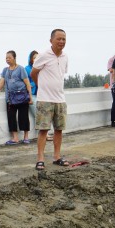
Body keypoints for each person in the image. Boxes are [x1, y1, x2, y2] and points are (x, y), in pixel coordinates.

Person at [30, 29, 69, 171]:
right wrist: (41, 87)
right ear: (51, 40)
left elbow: (60, 75)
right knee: (43, 130)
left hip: (60, 99)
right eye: (59, 39)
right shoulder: (44, 55)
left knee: (59, 129)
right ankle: (40, 159)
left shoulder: (65, 57)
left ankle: (57, 157)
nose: (61, 41)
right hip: (45, 99)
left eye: (64, 39)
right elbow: (33, 73)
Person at [0, 50, 33, 145]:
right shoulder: (5, 70)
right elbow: (1, 83)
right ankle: (15, 138)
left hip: (22, 97)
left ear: (14, 58)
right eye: (6, 58)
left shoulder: (21, 69)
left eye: (9, 57)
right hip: (10, 98)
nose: (7, 59)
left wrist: (30, 97)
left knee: (24, 117)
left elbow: (27, 83)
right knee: (11, 117)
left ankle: (26, 137)